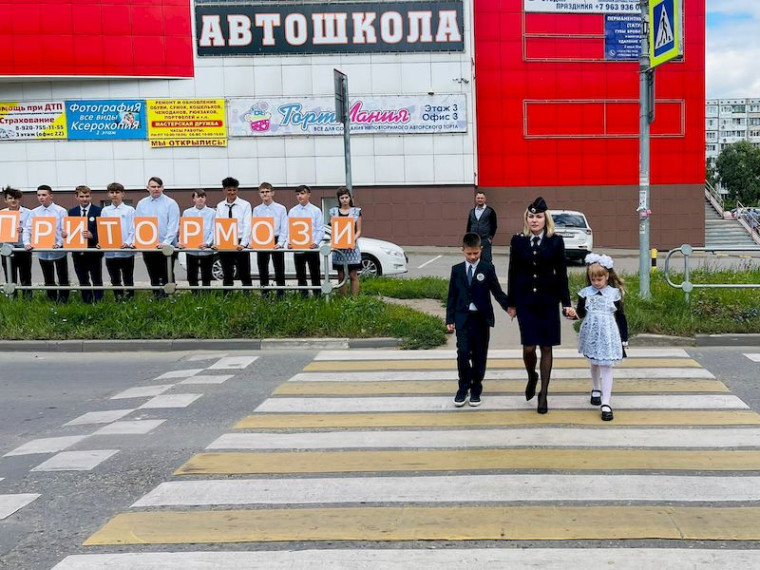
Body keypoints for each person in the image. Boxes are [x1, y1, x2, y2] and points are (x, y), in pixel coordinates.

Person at [507, 196, 575, 414]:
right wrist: (511, 303)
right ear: (526, 219)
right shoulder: (517, 241)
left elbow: (562, 274)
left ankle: (544, 393)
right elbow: (512, 272)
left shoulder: (556, 241)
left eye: (538, 217)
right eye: (531, 216)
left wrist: (566, 303)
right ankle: (532, 376)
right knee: (529, 347)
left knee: (546, 347)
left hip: (548, 301)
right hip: (526, 301)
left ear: (545, 219)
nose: (534, 220)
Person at [446, 233, 510, 407]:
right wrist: (449, 319)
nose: (473, 257)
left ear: (481, 249)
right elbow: (452, 296)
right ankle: (463, 387)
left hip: (481, 319)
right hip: (463, 319)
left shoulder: (487, 268)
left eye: (476, 253)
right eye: (469, 254)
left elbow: (497, 292)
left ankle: (476, 388)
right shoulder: (457, 270)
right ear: (462, 251)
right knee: (463, 353)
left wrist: (509, 307)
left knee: (480, 355)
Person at [574, 253, 629, 422]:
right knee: (594, 362)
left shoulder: (614, 294)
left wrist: (624, 339)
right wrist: (572, 314)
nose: (596, 282)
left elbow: (621, 317)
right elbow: (581, 313)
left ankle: (606, 402)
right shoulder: (585, 293)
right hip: (591, 332)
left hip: (608, 333)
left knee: (606, 365)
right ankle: (596, 388)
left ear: (607, 277)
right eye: (593, 279)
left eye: (600, 279)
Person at [22, 185, 69, 302]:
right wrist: (27, 243)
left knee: (62, 276)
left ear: (51, 196)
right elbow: (28, 229)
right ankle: (51, 299)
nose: (41, 198)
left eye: (44, 195)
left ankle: (64, 299)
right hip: (42, 250)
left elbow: (65, 230)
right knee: (48, 277)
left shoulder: (61, 211)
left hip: (58, 250)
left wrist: (59, 243)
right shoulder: (34, 212)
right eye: (39, 195)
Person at [135, 176, 180, 298]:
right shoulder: (141, 204)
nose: (156, 189)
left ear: (163, 188)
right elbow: (138, 223)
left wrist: (166, 242)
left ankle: (169, 297)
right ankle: (156, 297)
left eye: (159, 187)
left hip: (167, 247)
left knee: (167, 273)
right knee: (153, 273)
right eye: (153, 186)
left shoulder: (171, 203)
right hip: (149, 246)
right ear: (147, 188)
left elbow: (173, 225)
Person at [215, 176, 252, 293]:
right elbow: (218, 224)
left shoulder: (245, 205)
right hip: (225, 242)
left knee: (244, 272)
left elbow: (248, 225)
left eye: (234, 190)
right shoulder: (220, 206)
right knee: (227, 272)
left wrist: (244, 243)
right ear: (224, 190)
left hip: (240, 241)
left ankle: (247, 296)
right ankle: (227, 297)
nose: (232, 192)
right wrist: (217, 242)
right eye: (229, 190)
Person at [100, 182, 135, 300]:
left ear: (123, 194)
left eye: (117, 192)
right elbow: (103, 228)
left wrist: (128, 242)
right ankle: (118, 296)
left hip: (125, 249)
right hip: (110, 250)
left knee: (128, 275)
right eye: (112, 192)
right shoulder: (105, 210)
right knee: (114, 276)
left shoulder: (130, 210)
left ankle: (130, 296)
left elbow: (133, 228)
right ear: (108, 194)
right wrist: (103, 242)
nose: (115, 195)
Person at [68, 185, 104, 303]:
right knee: (82, 278)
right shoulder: (72, 212)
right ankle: (86, 300)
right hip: (78, 252)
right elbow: (69, 231)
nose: (85, 199)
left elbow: (103, 231)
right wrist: (65, 234)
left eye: (87, 196)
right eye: (82, 196)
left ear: (91, 196)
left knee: (96, 277)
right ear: (77, 197)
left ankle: (98, 300)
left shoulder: (99, 211)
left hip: (93, 251)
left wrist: (93, 236)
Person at [252, 181, 288, 298]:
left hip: (276, 238)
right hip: (262, 240)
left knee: (279, 268)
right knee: (262, 268)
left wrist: (281, 243)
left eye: (267, 191)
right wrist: (255, 242)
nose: (265, 194)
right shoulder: (256, 210)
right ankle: (265, 294)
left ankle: (281, 294)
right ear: (259, 194)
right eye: (262, 192)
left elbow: (284, 227)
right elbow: (254, 227)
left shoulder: (281, 208)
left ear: (272, 193)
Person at [288, 184, 324, 298]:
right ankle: (303, 296)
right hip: (298, 248)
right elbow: (289, 229)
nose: (300, 196)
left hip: (311, 247)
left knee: (315, 273)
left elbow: (320, 229)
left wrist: (316, 242)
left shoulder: (316, 210)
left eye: (302, 193)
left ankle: (318, 296)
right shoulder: (293, 211)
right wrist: (289, 242)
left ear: (308, 194)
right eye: (298, 194)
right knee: (300, 274)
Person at [328, 186, 362, 297]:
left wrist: (352, 240)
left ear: (350, 198)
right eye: (342, 198)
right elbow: (333, 229)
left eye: (346, 197)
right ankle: (343, 299)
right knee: (341, 276)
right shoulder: (333, 211)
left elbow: (359, 231)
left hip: (352, 248)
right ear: (339, 199)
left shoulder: (356, 211)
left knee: (353, 275)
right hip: (339, 248)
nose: (344, 200)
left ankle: (355, 300)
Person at [180, 189, 216, 292]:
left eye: (202, 197)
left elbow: (214, 229)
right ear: (193, 199)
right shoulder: (187, 212)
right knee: (192, 275)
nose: (200, 199)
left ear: (205, 198)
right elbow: (183, 228)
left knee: (206, 275)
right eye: (198, 197)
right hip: (192, 249)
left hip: (206, 249)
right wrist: (182, 241)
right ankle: (194, 295)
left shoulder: (212, 212)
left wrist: (208, 243)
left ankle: (206, 297)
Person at [1, 186, 33, 299]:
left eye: (15, 198)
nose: (13, 200)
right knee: (10, 276)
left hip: (23, 248)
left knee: (26, 275)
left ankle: (28, 298)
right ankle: (12, 298)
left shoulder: (28, 212)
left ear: (19, 199)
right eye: (10, 198)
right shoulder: (2, 214)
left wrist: (23, 230)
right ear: (5, 200)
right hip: (7, 249)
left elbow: (34, 229)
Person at [466, 190, 498, 264]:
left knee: (486, 261)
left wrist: (490, 238)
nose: (480, 200)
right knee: (473, 261)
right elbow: (469, 225)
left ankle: (488, 275)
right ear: (476, 199)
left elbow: (494, 225)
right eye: (478, 198)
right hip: (473, 241)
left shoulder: (490, 211)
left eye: (481, 198)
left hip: (485, 240)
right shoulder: (471, 211)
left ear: (484, 199)